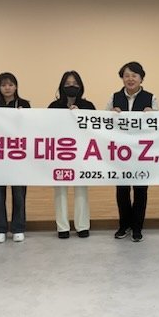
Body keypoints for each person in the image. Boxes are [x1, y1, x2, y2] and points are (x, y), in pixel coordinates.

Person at [107, 61, 158, 243]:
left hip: (141, 152)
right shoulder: (114, 97)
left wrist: (152, 114)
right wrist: (111, 114)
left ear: (141, 78)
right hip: (120, 152)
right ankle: (124, 225)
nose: (130, 79)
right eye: (126, 75)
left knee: (140, 190)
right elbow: (103, 124)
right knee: (121, 190)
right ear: (122, 78)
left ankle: (137, 227)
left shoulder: (151, 98)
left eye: (134, 75)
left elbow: (158, 126)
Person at [48, 71, 96, 239]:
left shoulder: (88, 106)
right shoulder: (54, 106)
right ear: (62, 86)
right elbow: (47, 127)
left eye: (75, 84)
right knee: (60, 191)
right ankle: (62, 227)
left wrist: (79, 114)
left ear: (80, 86)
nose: (71, 86)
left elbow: (95, 128)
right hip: (60, 153)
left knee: (81, 190)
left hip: (81, 153)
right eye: (68, 84)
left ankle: (82, 226)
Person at [0, 72, 30, 243]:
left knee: (19, 194)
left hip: (19, 156)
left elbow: (32, 127)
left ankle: (18, 228)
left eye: (11, 84)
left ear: (16, 87)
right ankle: (0, 229)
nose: (7, 88)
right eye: (4, 85)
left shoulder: (24, 105)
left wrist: (24, 115)